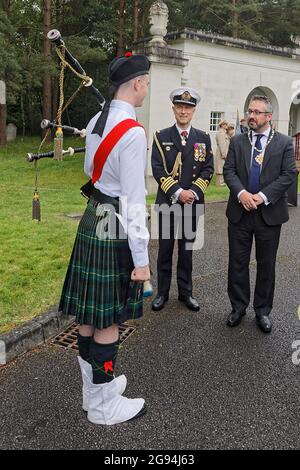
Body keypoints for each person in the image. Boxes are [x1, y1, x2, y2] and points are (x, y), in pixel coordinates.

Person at [59, 52, 151, 424]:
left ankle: (95, 391)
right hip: (112, 222)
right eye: (146, 82)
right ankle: (103, 406)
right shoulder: (132, 132)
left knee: (89, 315)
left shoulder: (98, 119)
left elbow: (88, 168)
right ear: (138, 84)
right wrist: (142, 261)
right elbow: (132, 201)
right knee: (109, 318)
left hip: (92, 216)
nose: (147, 88)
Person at [223, 95, 297, 333]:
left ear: (268, 116)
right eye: (250, 111)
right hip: (240, 212)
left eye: (257, 112)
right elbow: (229, 170)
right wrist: (242, 194)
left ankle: (262, 311)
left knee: (266, 265)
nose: (251, 116)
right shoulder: (238, 141)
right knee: (237, 262)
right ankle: (238, 307)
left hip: (268, 214)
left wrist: (262, 196)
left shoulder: (284, 143)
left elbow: (287, 175)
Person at [151, 87, 214, 312]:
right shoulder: (161, 136)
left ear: (194, 110)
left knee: (186, 252)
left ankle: (186, 293)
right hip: (169, 202)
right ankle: (162, 293)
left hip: (192, 204)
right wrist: (178, 192)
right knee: (165, 250)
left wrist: (193, 193)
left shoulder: (203, 138)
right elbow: (157, 169)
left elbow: (208, 169)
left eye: (187, 107)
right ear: (173, 109)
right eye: (180, 106)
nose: (183, 111)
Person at [215, 120, 228, 186]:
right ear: (221, 125)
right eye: (225, 124)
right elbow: (222, 144)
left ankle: (221, 182)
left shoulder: (223, 132)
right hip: (221, 152)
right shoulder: (221, 133)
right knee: (220, 167)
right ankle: (219, 183)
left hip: (222, 151)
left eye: (226, 124)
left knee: (222, 166)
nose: (226, 125)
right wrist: (224, 154)